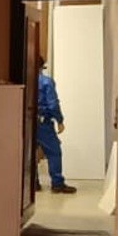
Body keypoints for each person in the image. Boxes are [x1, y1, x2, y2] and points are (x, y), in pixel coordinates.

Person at [34, 55, 76, 194]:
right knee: (54, 152)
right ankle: (57, 183)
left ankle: (33, 183)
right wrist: (60, 120)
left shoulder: (25, 82)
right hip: (43, 124)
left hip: (27, 122)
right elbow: (52, 104)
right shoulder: (46, 82)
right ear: (41, 67)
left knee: (30, 153)